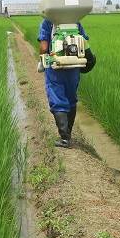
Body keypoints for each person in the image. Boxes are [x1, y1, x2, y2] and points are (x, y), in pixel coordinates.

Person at [38, 19, 95, 148]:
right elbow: (84, 42)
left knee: (57, 99)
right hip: (74, 67)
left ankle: (64, 139)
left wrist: (42, 61)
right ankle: (68, 134)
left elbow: (44, 47)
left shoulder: (48, 22)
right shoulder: (75, 21)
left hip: (55, 68)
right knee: (71, 99)